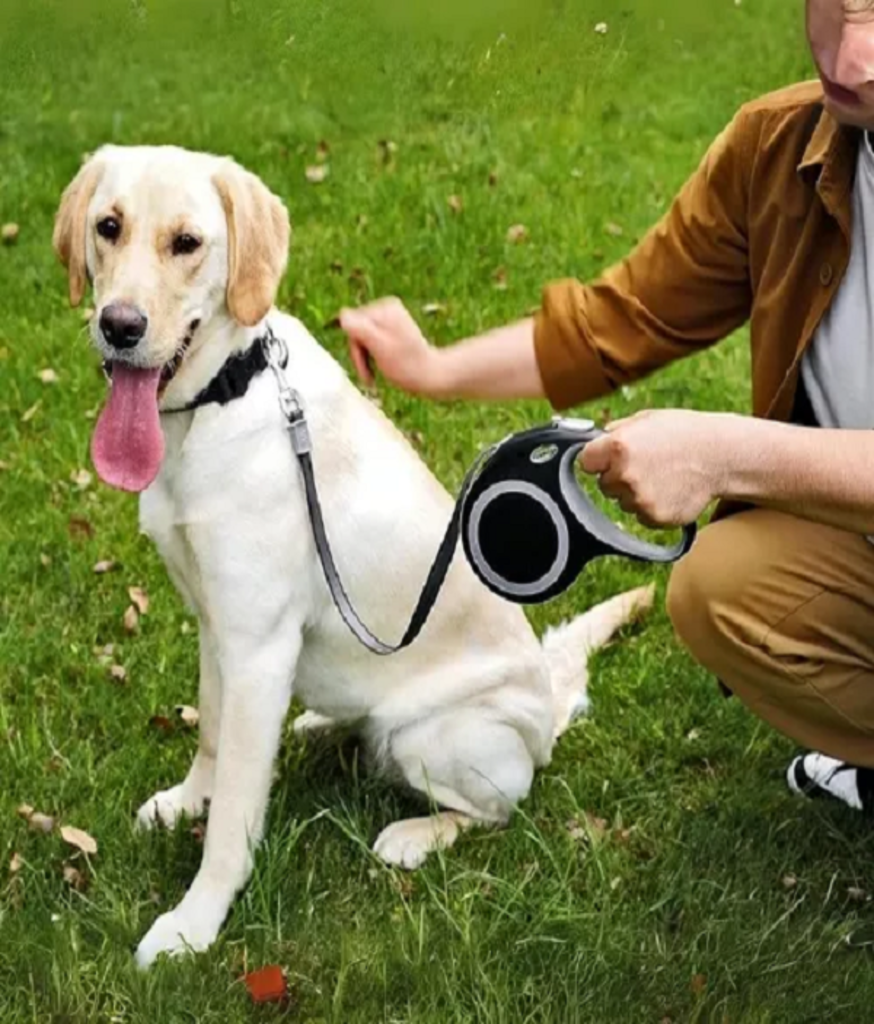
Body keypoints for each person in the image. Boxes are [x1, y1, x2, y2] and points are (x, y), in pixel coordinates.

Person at [340, 0, 874, 813]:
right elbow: (621, 320)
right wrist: (435, 369)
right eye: (836, 6)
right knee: (720, 588)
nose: (850, 54)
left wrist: (728, 452)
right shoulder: (780, 148)